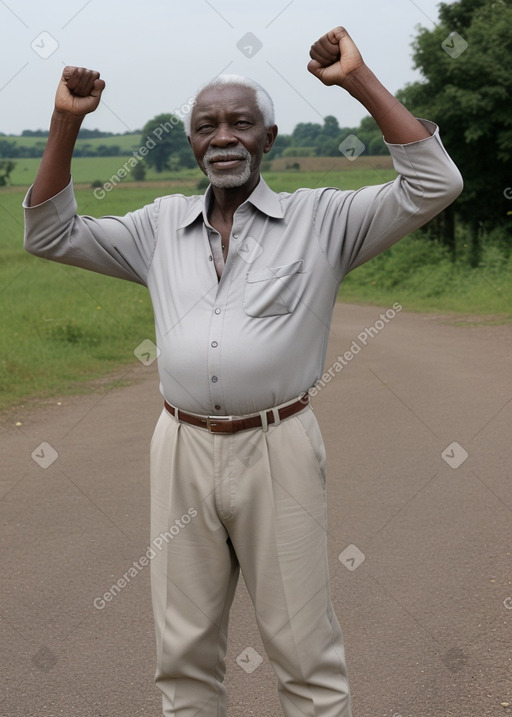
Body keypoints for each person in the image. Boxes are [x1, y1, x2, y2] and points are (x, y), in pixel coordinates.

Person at [23, 26, 462, 717]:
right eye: (207, 126)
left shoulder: (324, 219)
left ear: (269, 138)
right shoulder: (157, 226)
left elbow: (436, 181)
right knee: (183, 654)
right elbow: (49, 233)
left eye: (240, 123)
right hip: (180, 447)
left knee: (304, 652)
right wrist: (64, 122)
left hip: (277, 443)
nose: (222, 136)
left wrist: (358, 80)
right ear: (192, 143)